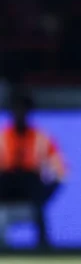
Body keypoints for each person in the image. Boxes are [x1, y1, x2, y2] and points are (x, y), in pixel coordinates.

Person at [0, 92, 66, 249]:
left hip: (32, 194)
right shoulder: (2, 138)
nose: (19, 113)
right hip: (5, 195)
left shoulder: (41, 139)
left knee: (31, 182)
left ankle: (44, 249)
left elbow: (60, 172)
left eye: (23, 109)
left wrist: (44, 196)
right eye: (16, 109)